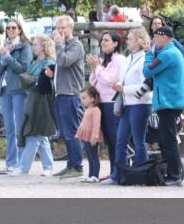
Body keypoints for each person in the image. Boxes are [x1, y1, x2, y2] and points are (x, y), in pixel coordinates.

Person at [143, 25, 184, 185]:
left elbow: (148, 71)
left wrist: (148, 53)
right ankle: (172, 174)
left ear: (166, 37)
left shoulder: (167, 54)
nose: (154, 39)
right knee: (165, 140)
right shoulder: (169, 53)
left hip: (169, 103)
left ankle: (175, 176)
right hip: (168, 102)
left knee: (169, 141)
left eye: (156, 36)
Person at [110, 28, 153, 185]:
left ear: (139, 40)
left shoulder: (144, 59)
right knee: (121, 141)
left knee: (138, 141)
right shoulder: (128, 59)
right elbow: (125, 80)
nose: (127, 41)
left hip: (140, 104)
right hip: (127, 105)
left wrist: (125, 89)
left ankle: (142, 174)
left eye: (130, 38)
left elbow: (146, 85)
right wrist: (119, 85)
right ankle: (117, 175)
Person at [10, 34, 57, 177]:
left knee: (33, 133)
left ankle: (23, 167)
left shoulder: (49, 62)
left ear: (43, 46)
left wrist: (33, 80)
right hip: (32, 98)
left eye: (35, 44)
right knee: (40, 135)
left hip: (42, 101)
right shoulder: (35, 62)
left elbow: (46, 84)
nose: (33, 47)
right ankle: (48, 166)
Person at [87, 32, 125, 181]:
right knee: (109, 140)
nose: (103, 43)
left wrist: (98, 68)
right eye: (102, 40)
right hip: (102, 102)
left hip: (112, 102)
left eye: (107, 40)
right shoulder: (104, 61)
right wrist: (94, 67)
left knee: (115, 138)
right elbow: (94, 82)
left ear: (116, 43)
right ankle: (113, 172)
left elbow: (110, 80)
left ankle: (119, 172)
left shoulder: (119, 60)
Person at [51, 15, 85, 179]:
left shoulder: (76, 45)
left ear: (71, 28)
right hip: (60, 93)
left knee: (72, 131)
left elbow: (64, 61)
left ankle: (77, 166)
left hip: (71, 94)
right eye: (58, 28)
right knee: (64, 133)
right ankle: (70, 164)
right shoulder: (63, 45)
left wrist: (58, 43)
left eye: (63, 28)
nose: (60, 31)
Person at [0, 18, 30, 175]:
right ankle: (11, 163)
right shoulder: (4, 46)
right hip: (5, 90)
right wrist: (3, 59)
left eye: (14, 27)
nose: (10, 30)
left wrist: (8, 58)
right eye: (8, 28)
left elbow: (24, 68)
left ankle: (23, 164)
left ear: (20, 30)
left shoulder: (25, 46)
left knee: (19, 128)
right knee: (9, 128)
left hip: (18, 90)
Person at [77, 85, 103, 182]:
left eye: (84, 98)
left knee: (93, 157)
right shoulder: (87, 109)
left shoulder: (96, 110)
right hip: (86, 137)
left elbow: (97, 125)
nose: (82, 100)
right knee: (89, 157)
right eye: (81, 98)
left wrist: (94, 137)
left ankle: (95, 176)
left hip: (92, 137)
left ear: (92, 98)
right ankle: (90, 175)